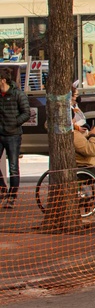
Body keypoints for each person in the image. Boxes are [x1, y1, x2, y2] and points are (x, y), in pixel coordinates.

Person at [0, 68, 30, 209]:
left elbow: (26, 113)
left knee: (13, 167)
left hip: (13, 135)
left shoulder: (18, 94)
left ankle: (12, 196)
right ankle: (2, 189)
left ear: (3, 80)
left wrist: (15, 122)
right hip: (0, 133)